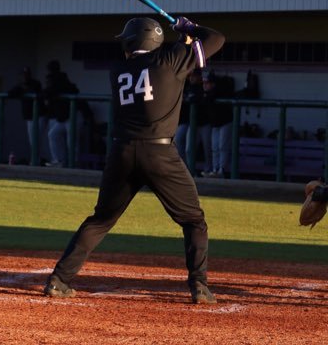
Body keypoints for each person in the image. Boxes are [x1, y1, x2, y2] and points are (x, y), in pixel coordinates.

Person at [43, 16, 225, 304]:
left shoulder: (119, 69)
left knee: (100, 220)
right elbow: (215, 38)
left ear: (133, 42)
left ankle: (59, 279)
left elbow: (164, 63)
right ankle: (199, 286)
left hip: (122, 152)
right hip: (161, 154)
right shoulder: (170, 58)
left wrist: (182, 38)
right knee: (193, 220)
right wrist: (189, 29)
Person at [43, 60, 93, 167]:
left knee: (72, 142)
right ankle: (59, 161)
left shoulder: (61, 79)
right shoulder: (54, 78)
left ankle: (74, 164)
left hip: (75, 115)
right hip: (65, 117)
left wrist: (45, 93)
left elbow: (51, 90)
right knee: (53, 134)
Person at [175, 69, 212, 174]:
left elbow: (199, 99)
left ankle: (210, 170)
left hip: (205, 123)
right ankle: (186, 170)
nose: (191, 78)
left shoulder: (202, 88)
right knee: (188, 149)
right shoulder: (187, 87)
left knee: (208, 149)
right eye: (190, 76)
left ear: (199, 77)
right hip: (192, 124)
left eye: (194, 76)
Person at [8, 67, 47, 164]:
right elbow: (10, 93)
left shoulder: (36, 83)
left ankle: (36, 160)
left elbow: (35, 91)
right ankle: (35, 160)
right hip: (29, 116)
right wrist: (21, 89)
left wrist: (24, 90)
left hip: (39, 115)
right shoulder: (20, 85)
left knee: (37, 139)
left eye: (27, 74)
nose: (25, 76)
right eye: (23, 74)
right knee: (32, 140)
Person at [202, 71, 234, 178]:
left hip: (225, 122)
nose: (205, 85)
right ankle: (215, 169)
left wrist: (207, 96)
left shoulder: (219, 91)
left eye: (207, 83)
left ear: (213, 84)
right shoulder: (205, 94)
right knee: (214, 147)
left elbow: (213, 95)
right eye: (204, 83)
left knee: (222, 146)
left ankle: (222, 170)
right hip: (215, 124)